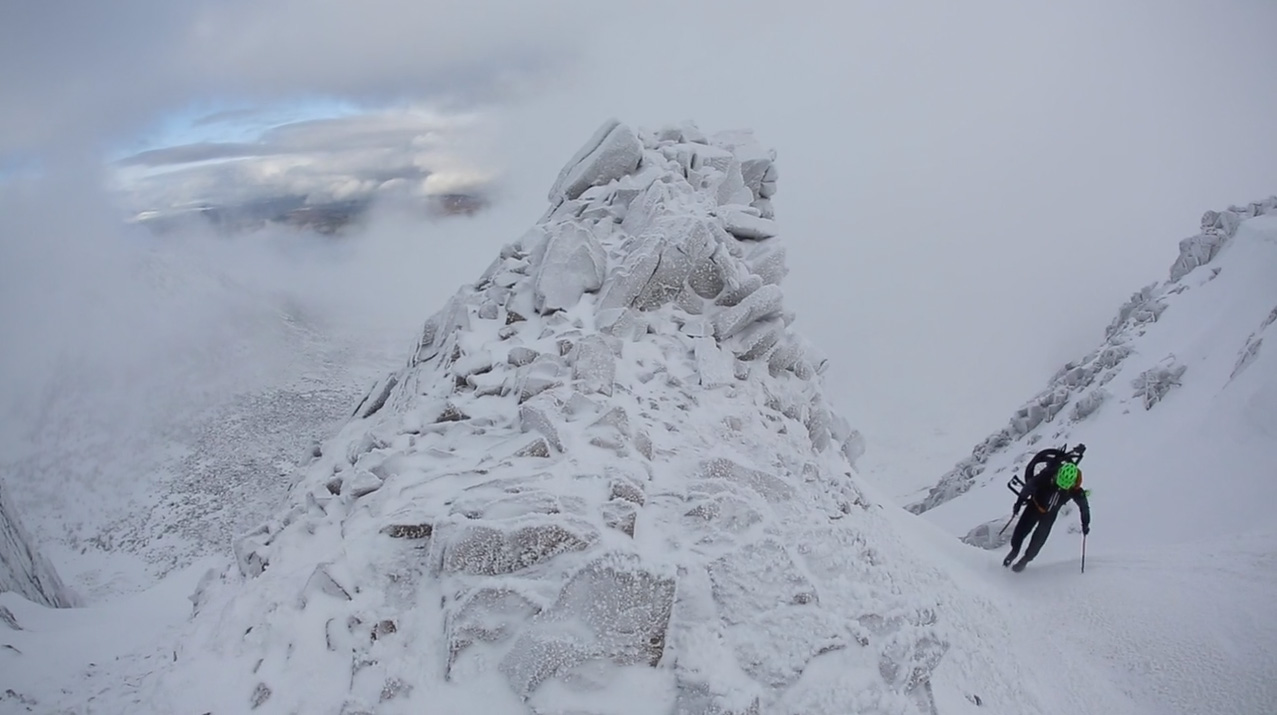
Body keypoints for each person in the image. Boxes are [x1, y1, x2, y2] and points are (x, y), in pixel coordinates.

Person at [1003, 444, 1090, 572]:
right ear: (1058, 474)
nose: (1061, 487)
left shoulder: (1075, 489)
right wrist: (1019, 502)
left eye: (1065, 486)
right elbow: (1029, 486)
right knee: (1019, 533)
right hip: (1034, 505)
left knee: (1038, 542)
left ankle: (1025, 560)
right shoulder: (1047, 475)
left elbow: (1084, 507)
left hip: (1049, 516)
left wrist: (1085, 524)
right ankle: (1014, 552)